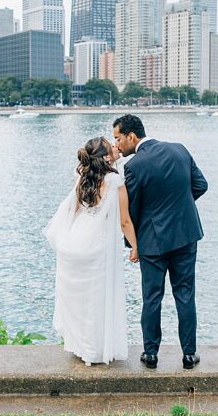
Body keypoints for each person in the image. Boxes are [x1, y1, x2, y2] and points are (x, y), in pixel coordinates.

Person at [112, 114, 208, 370]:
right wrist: (180, 208)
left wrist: (134, 243)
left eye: (118, 138)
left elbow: (132, 210)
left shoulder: (134, 166)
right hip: (186, 236)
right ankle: (189, 355)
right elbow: (201, 185)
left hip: (152, 242)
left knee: (152, 297)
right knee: (185, 295)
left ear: (132, 136)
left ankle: (151, 354)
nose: (118, 145)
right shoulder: (180, 150)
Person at [45, 136, 136, 366]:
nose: (116, 147)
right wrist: (136, 246)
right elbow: (124, 221)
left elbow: (72, 211)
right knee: (96, 298)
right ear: (106, 157)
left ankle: (80, 346)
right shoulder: (115, 181)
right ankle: (95, 350)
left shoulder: (83, 178)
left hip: (73, 244)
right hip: (96, 246)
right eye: (111, 146)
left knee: (80, 299)